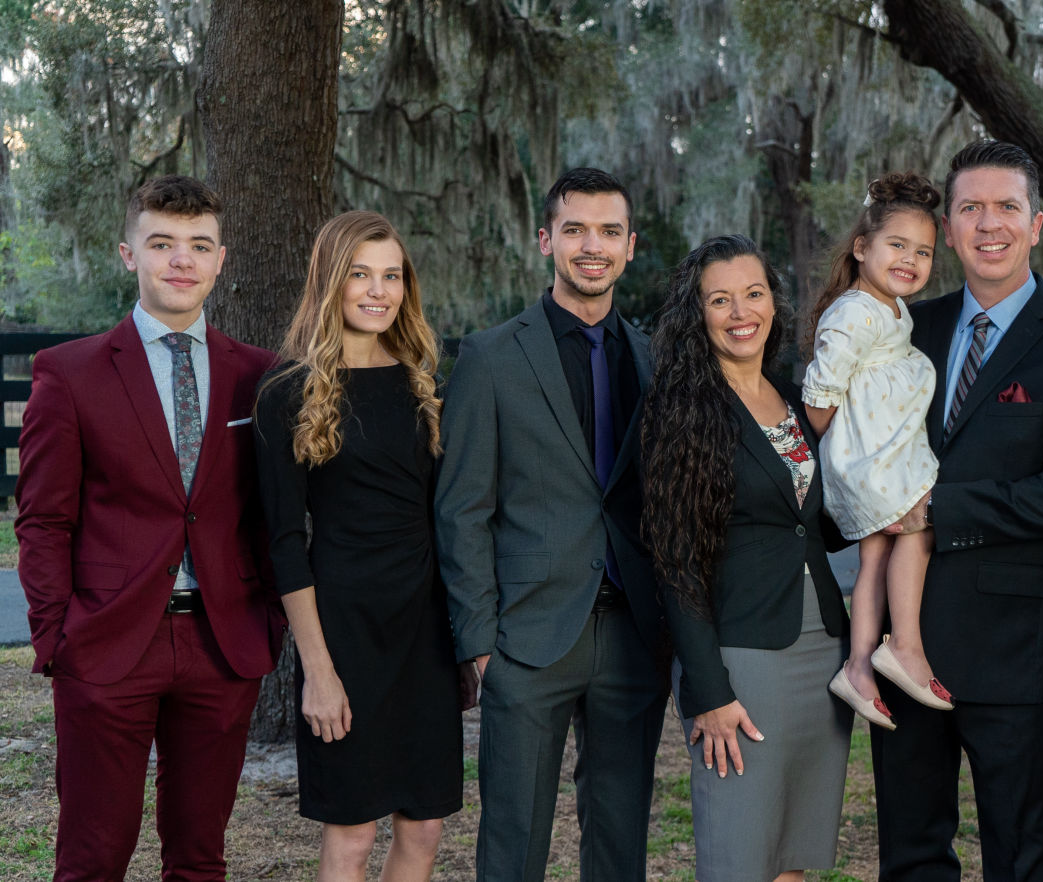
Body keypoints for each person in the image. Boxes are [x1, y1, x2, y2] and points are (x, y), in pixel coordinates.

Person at [16, 174, 283, 881]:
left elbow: (272, 516)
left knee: (200, 857)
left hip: (221, 644)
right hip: (106, 647)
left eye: (199, 245)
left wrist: (269, 623)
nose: (181, 260)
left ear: (221, 259)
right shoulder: (68, 373)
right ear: (129, 253)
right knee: (92, 856)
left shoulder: (261, 377)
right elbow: (42, 520)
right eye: (161, 243)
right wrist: (57, 636)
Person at [870, 139, 1043, 881]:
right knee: (911, 852)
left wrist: (933, 509)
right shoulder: (901, 330)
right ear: (947, 227)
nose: (989, 224)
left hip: (1013, 647)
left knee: (1021, 856)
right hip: (901, 640)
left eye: (1006, 207)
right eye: (971, 208)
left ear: (1036, 224)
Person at [434, 167, 667, 881]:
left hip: (634, 635)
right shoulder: (491, 357)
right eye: (574, 230)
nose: (590, 246)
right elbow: (461, 506)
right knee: (513, 836)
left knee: (621, 837)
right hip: (527, 640)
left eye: (607, 232)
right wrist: (480, 641)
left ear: (631, 246)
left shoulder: (657, 358)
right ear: (546, 240)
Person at [253, 210, 469, 881]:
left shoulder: (424, 381)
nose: (379, 291)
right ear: (330, 281)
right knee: (350, 833)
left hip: (426, 631)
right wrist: (316, 670)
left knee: (425, 825)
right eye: (360, 275)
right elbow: (286, 544)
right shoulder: (287, 391)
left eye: (392, 275)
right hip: (344, 633)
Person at [640, 234, 852, 882]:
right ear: (695, 313)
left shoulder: (794, 399)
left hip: (823, 650)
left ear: (773, 302)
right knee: (740, 858)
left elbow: (811, 520)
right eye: (720, 299)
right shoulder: (678, 411)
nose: (741, 312)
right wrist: (707, 689)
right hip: (743, 661)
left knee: (797, 859)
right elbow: (673, 561)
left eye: (753, 293)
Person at [801, 172, 947, 728]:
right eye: (897, 245)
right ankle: (904, 646)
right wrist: (845, 444)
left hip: (877, 454)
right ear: (862, 248)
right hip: (870, 460)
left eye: (924, 252)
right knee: (920, 525)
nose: (910, 259)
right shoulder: (855, 311)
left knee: (875, 557)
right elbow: (820, 394)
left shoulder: (890, 307)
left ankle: (860, 668)